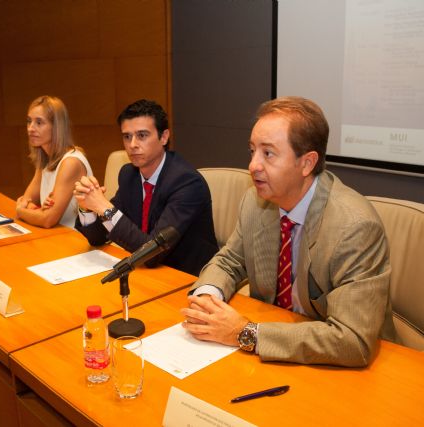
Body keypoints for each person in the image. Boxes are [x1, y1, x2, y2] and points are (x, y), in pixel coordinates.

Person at [181, 96, 396, 367]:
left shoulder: (354, 227)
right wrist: (207, 299)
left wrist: (245, 333)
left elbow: (352, 339)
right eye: (252, 151)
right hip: (274, 349)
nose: (253, 166)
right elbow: (230, 260)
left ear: (307, 163)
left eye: (268, 153)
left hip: (341, 366)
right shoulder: (255, 202)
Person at [73, 99, 218, 276]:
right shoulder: (129, 175)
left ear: (164, 137)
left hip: (184, 278)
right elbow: (98, 238)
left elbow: (151, 254)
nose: (132, 144)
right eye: (127, 136)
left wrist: (103, 207)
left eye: (142, 135)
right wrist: (86, 206)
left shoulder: (186, 182)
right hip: (146, 273)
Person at [16, 95, 93, 228]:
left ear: (56, 127)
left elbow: (47, 220)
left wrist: (21, 211)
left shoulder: (71, 162)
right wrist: (35, 210)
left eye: (39, 122)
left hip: (77, 240)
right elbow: (26, 200)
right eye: (29, 121)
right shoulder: (45, 161)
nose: (30, 128)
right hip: (56, 236)